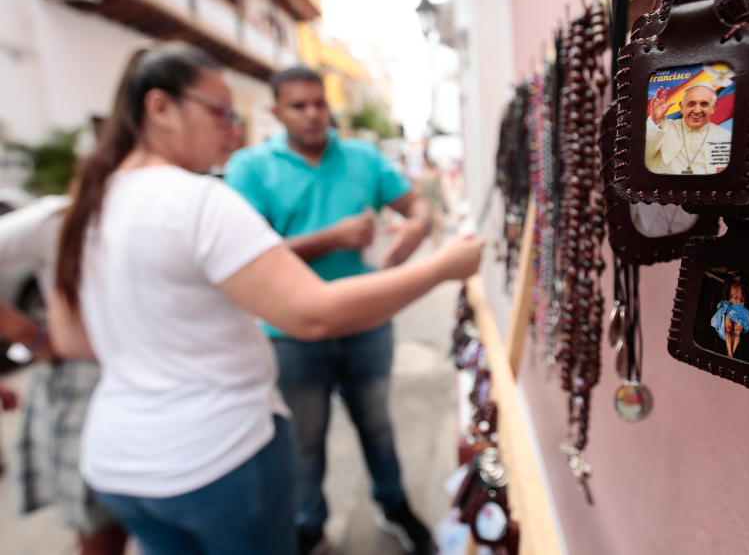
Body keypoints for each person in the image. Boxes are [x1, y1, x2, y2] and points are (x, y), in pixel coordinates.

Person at [51, 43, 483, 555]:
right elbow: (311, 314)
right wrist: (440, 268)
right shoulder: (199, 199)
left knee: (373, 430)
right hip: (215, 459)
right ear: (160, 108)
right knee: (306, 451)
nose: (231, 126)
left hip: (122, 464)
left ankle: (385, 509)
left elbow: (71, 339)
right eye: (218, 111)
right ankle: (316, 523)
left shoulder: (91, 201)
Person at [225, 66, 441, 555]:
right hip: (292, 332)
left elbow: (418, 207)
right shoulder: (250, 167)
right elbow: (244, 256)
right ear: (276, 111)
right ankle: (309, 524)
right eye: (298, 105)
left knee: (378, 425)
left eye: (319, 103)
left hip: (365, 320)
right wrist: (333, 238)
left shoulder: (363, 157)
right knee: (304, 440)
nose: (312, 114)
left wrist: (418, 227)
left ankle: (394, 505)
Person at [0, 188, 128, 553]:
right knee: (99, 519)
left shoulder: (182, 210)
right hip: (84, 381)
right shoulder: (61, 218)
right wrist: (28, 334)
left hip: (157, 378)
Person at [645, 84, 731, 174]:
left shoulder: (724, 135)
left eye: (704, 104)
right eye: (691, 104)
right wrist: (655, 120)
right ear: (682, 107)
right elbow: (645, 154)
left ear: (713, 108)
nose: (697, 110)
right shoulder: (662, 128)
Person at [417, 153, 448, 248]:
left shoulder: (435, 173)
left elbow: (441, 186)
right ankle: (435, 244)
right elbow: (419, 191)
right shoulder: (422, 176)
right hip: (428, 203)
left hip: (436, 201)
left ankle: (439, 243)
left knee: (440, 223)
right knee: (434, 224)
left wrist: (445, 199)